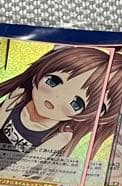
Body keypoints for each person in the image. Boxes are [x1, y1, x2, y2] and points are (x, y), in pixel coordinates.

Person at [0, 46, 112, 175]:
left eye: (76, 103)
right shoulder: (19, 96)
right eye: (53, 81)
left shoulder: (61, 135)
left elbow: (25, 165)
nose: (57, 97)